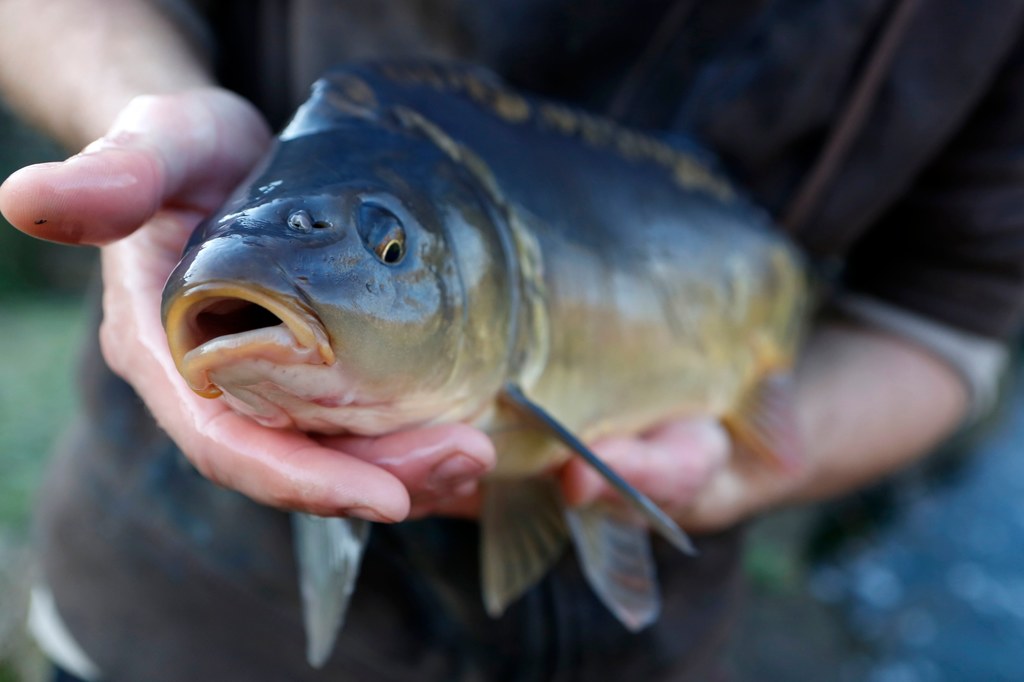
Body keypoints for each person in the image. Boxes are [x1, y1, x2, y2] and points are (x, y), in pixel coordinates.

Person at [1, 1, 1020, 680]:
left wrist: (730, 473)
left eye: (388, 249)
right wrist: (132, 104)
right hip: (183, 615)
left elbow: (945, 313)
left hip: (640, 647)